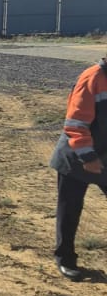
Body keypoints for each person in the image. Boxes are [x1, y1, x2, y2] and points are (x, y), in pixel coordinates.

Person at [50, 52, 107, 278]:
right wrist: (89, 158)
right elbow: (75, 124)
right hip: (76, 156)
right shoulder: (92, 78)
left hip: (104, 154)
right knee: (70, 208)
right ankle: (65, 259)